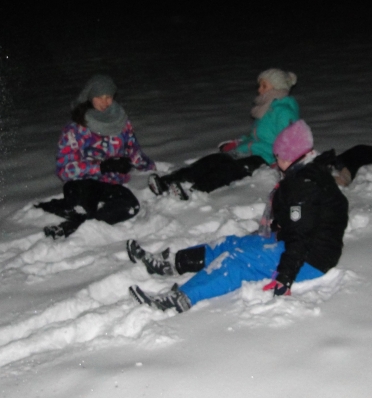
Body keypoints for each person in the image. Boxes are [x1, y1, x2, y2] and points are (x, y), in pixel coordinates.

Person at [127, 120, 348, 313]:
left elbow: (300, 234)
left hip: (309, 259)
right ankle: (172, 263)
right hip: (297, 244)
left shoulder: (304, 185)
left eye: (279, 155)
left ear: (291, 156)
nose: (276, 159)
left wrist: (285, 276)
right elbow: (301, 222)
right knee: (230, 243)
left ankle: (181, 298)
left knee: (238, 260)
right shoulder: (306, 173)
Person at [147, 68, 300, 200]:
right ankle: (167, 182)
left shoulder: (284, 112)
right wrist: (237, 142)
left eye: (264, 86)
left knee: (227, 170)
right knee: (212, 160)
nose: (259, 90)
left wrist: (282, 165)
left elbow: (291, 141)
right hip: (248, 152)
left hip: (264, 159)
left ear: (277, 88)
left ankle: (193, 192)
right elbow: (254, 136)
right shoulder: (266, 110)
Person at [35, 74, 156, 238]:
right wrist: (102, 166)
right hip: (82, 185)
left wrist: (150, 168)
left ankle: (79, 223)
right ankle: (69, 222)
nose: (105, 102)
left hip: (109, 185)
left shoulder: (121, 123)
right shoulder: (76, 129)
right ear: (90, 97)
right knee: (87, 204)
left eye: (109, 97)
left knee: (130, 206)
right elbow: (64, 170)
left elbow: (134, 152)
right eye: (99, 97)